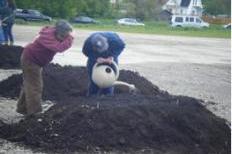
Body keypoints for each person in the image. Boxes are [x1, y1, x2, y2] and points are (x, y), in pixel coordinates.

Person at [16, 20, 74, 116]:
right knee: (35, 86)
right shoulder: (47, 37)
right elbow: (59, 48)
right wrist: (70, 39)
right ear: (58, 31)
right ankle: (35, 113)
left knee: (29, 84)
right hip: (31, 60)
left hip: (33, 60)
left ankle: (22, 108)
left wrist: (67, 37)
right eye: (63, 36)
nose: (64, 38)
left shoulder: (52, 33)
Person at [82, 32, 125, 96]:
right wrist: (96, 58)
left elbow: (122, 46)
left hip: (110, 56)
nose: (102, 51)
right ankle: (92, 96)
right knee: (94, 79)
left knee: (109, 78)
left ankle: (108, 96)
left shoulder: (115, 40)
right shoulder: (89, 42)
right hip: (96, 56)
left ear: (106, 42)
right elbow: (85, 52)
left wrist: (112, 56)